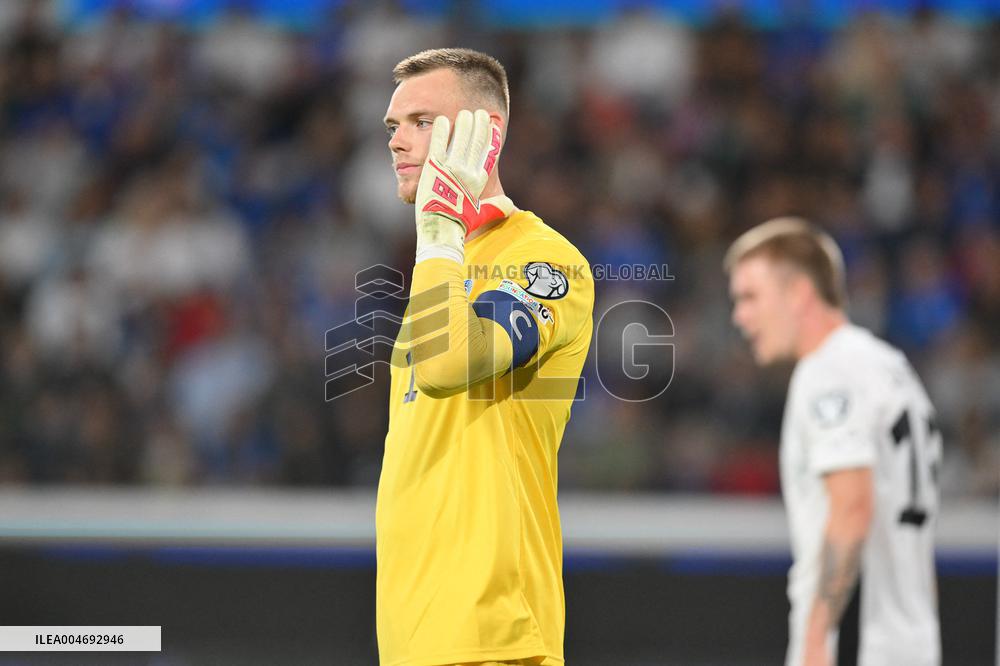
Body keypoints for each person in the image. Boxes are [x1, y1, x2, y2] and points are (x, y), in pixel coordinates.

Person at [377, 48, 594, 666]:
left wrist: (441, 226)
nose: (397, 141)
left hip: (493, 632)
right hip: (415, 635)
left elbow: (448, 367)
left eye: (422, 122)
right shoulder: (438, 267)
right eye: (393, 126)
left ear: (485, 136)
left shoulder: (544, 261)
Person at [725, 217, 941, 666]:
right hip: (913, 643)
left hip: (859, 648)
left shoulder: (828, 372)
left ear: (799, 293)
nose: (739, 316)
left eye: (749, 297)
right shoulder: (891, 366)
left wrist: (815, 639)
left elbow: (852, 507)